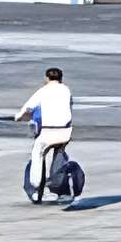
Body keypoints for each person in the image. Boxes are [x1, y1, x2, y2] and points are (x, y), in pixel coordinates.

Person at [21, 66, 75, 198]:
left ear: (46, 79)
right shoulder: (66, 91)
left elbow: (27, 109)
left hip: (44, 131)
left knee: (37, 155)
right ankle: (61, 190)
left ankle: (34, 188)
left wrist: (20, 117)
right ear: (61, 79)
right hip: (63, 132)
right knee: (59, 154)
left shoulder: (42, 92)